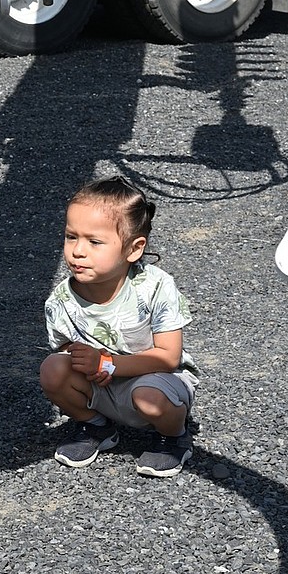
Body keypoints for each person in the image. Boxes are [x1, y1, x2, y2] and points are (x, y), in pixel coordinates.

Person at [39, 176, 199, 478]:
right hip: (102, 385)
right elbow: (64, 347)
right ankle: (95, 425)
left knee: (149, 398)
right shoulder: (61, 298)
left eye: (94, 241)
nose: (78, 251)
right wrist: (82, 359)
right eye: (71, 237)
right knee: (52, 369)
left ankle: (172, 436)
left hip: (156, 381)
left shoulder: (154, 286)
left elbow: (169, 357)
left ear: (134, 248)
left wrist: (110, 364)